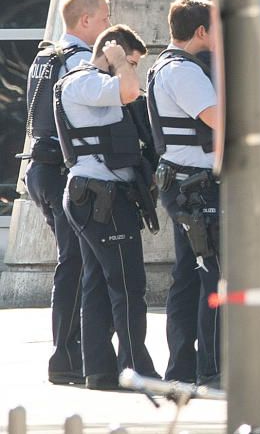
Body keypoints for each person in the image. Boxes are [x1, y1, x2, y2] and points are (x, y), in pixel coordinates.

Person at [53, 24, 158, 389]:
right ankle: (136, 370)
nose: (133, 71)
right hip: (100, 197)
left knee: (98, 284)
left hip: (100, 195)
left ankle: (99, 370)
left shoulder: (96, 87)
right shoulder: (86, 82)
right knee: (128, 286)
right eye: (131, 62)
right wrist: (117, 60)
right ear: (113, 52)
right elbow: (128, 89)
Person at [23, 0, 111, 384]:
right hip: (62, 171)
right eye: (105, 18)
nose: (108, 27)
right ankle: (66, 357)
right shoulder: (77, 60)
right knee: (75, 264)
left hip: (39, 168)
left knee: (71, 261)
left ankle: (67, 355)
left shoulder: (44, 56)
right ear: (85, 21)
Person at [146, 0, 222, 385]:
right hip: (198, 187)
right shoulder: (184, 72)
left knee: (190, 276)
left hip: (184, 184)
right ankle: (211, 370)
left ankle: (183, 368)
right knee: (213, 277)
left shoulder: (168, 66)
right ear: (201, 32)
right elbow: (217, 120)